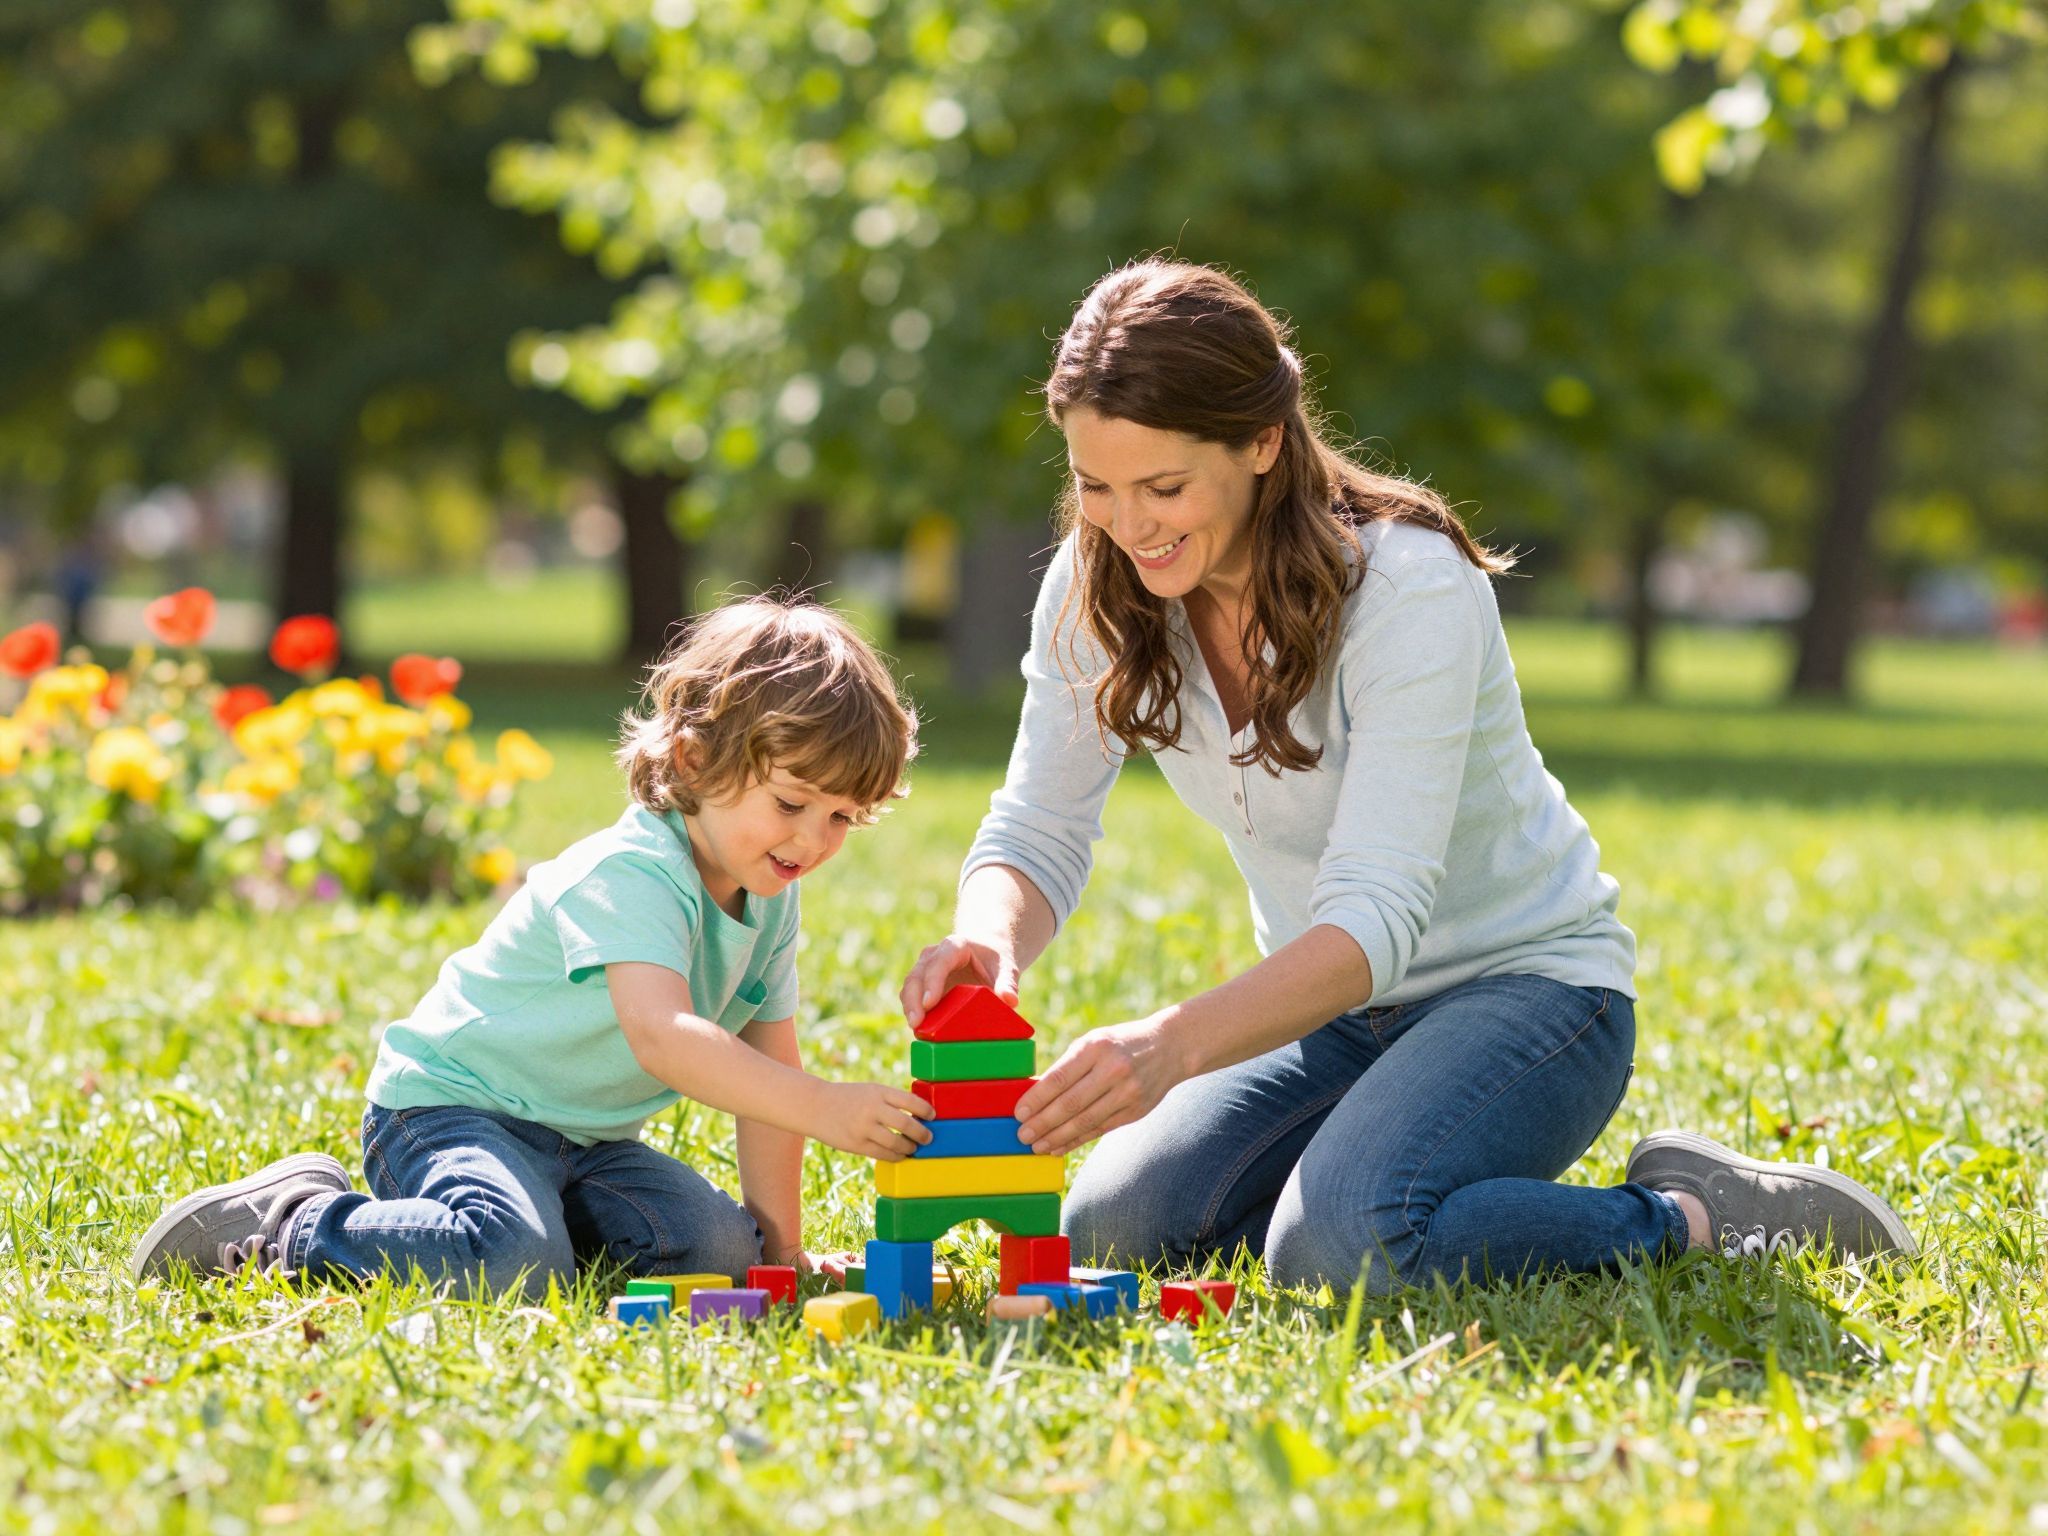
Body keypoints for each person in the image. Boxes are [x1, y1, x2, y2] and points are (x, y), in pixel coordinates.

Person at [899, 260, 1913, 1294]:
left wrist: (1169, 1046)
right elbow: (1036, 824)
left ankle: (1690, 1216)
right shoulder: (1096, 583)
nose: (1128, 523)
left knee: (1342, 1246)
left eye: (1163, 487)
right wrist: (990, 944)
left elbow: (1375, 917)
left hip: (1529, 998)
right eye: (1095, 486)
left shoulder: (1406, 588)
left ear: (1261, 442)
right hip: (1329, 1018)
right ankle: (1365, 1182)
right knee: (1116, 1223)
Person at [132, 598, 935, 1296]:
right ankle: (299, 1222)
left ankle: (533, 1227)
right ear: (696, 758)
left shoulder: (770, 895)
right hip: (451, 1111)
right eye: (792, 802)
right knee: (511, 1259)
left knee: (724, 1255)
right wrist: (828, 1107)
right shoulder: (634, 871)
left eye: (840, 817)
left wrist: (782, 1252)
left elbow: (772, 1073)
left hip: (584, 1143)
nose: (813, 839)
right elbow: (663, 1039)